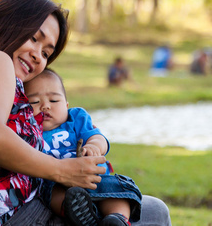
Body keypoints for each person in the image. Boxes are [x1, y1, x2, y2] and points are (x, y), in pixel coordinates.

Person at [0, 0, 172, 225]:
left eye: (46, 52)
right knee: (154, 213)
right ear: (8, 24)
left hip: (3, 214)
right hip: (9, 218)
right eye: (34, 38)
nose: (37, 55)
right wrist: (62, 170)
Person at [25, 69, 141, 226]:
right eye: (34, 102)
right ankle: (78, 215)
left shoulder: (76, 118)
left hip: (95, 178)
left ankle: (117, 218)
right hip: (59, 184)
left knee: (117, 191)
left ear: (66, 105)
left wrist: (93, 146)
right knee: (52, 195)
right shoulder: (29, 131)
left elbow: (98, 138)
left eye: (53, 100)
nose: (45, 106)